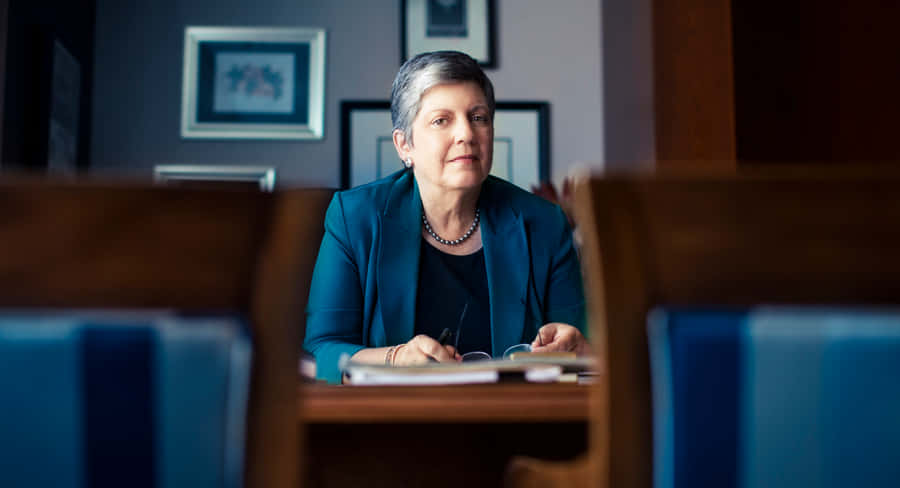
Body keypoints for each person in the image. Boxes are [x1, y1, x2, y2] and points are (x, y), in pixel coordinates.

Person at [304, 51, 589, 384]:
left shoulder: (544, 224)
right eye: (442, 120)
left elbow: (580, 352)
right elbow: (320, 351)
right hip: (388, 425)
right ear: (404, 145)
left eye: (478, 117)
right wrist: (395, 358)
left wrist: (577, 347)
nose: (466, 134)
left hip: (515, 425)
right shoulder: (354, 218)